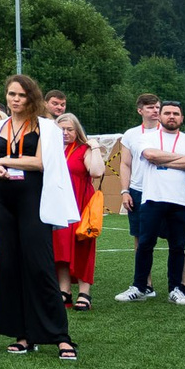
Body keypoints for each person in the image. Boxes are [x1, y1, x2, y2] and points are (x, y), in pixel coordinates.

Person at [0, 75, 77, 360]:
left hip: (33, 198)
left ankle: (60, 336)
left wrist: (3, 160)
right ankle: (22, 334)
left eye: (21, 95)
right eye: (11, 94)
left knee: (40, 264)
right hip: (0, 198)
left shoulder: (46, 127)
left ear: (31, 97)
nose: (15, 99)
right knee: (9, 266)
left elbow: (41, 162)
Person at [115, 95, 185, 304]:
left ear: (182, 118)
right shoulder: (147, 137)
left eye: (176, 114)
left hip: (182, 199)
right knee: (145, 243)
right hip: (152, 197)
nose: (171, 116)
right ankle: (140, 287)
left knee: (178, 246)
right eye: (167, 113)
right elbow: (150, 155)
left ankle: (177, 288)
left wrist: (164, 161)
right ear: (161, 116)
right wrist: (182, 159)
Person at [52, 113, 104, 311]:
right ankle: (64, 291)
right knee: (60, 248)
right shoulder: (50, 149)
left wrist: (95, 147)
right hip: (58, 206)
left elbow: (97, 172)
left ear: (77, 131)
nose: (65, 133)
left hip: (81, 204)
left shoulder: (83, 149)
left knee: (83, 246)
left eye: (70, 129)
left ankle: (84, 292)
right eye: (61, 130)